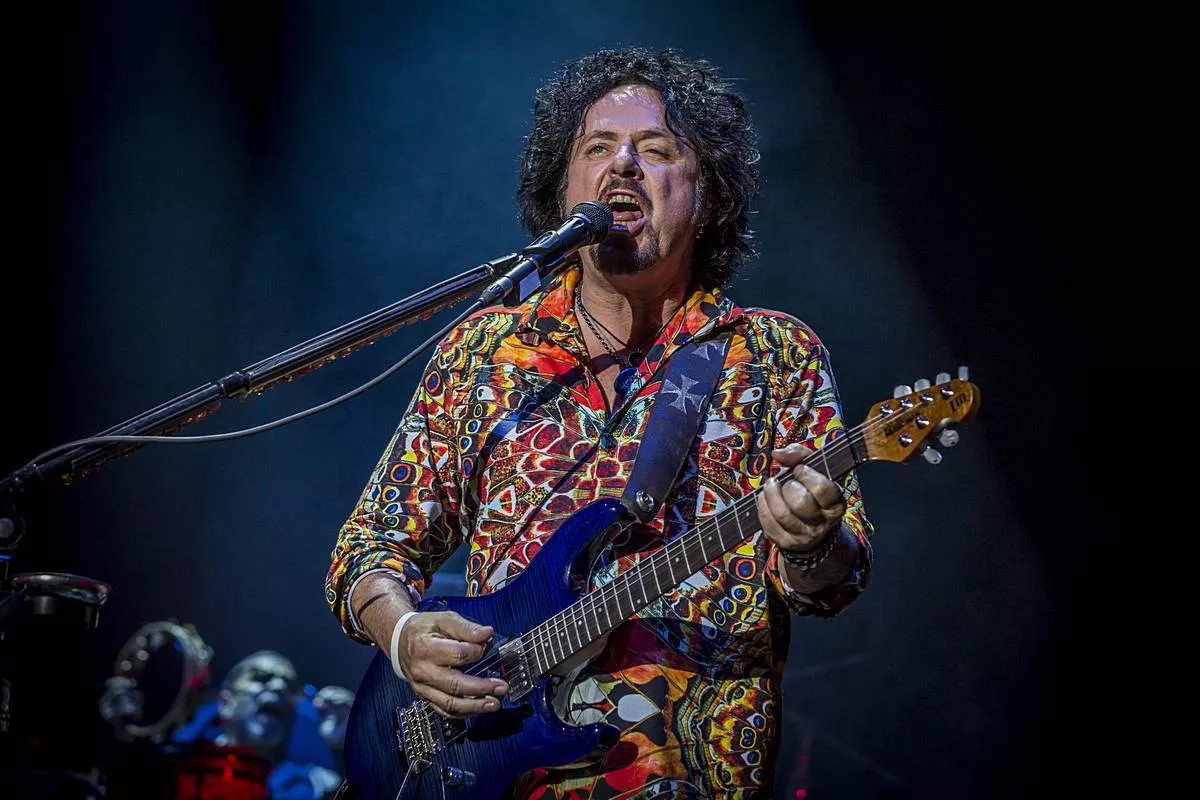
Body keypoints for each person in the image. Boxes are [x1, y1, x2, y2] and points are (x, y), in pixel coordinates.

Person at [326, 46, 873, 799]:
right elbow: (370, 545)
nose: (623, 164)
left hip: (685, 776)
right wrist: (401, 634)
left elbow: (832, 584)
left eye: (657, 150)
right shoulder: (485, 351)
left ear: (709, 198)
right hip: (490, 773)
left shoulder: (774, 355)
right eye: (597, 148)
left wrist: (812, 542)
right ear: (563, 193)